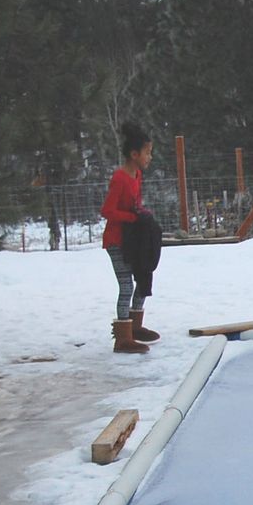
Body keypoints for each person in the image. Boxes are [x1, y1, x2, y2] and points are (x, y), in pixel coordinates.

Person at [101, 122, 160, 354]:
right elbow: (107, 211)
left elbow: (135, 204)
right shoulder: (120, 178)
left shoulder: (136, 176)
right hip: (116, 240)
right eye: (147, 153)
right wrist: (132, 217)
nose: (150, 157)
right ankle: (123, 338)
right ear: (134, 154)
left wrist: (142, 216)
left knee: (143, 278)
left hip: (131, 238)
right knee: (126, 286)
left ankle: (135, 327)